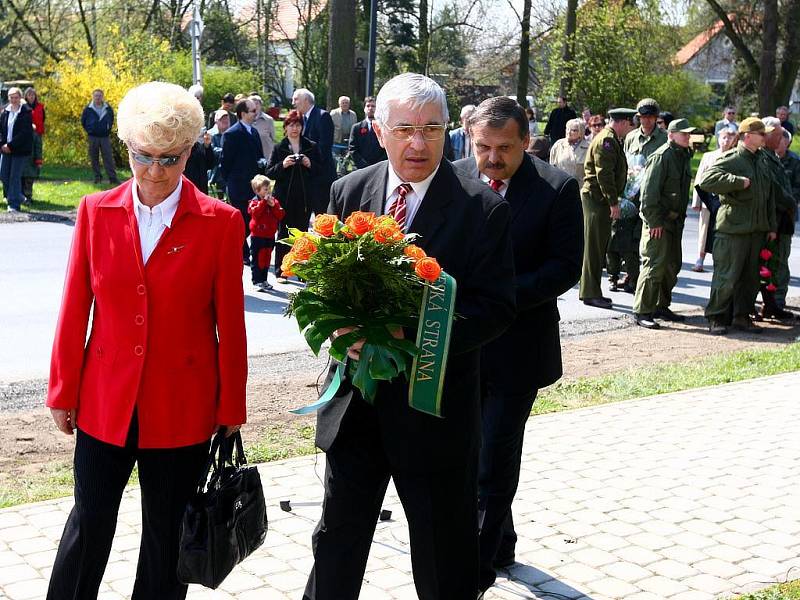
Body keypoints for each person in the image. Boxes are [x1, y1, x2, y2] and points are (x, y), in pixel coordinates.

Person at [302, 73, 515, 600]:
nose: (418, 143)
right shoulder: (349, 191)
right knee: (336, 544)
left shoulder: (482, 209)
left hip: (433, 413)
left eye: (432, 129)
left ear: (450, 133)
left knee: (445, 557)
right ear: (378, 130)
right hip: (355, 408)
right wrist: (339, 330)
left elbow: (495, 308)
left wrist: (413, 335)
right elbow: (321, 284)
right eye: (405, 129)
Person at [45, 81, 247, 600]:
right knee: (88, 526)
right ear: (127, 147)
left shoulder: (222, 223)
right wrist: (63, 390)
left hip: (183, 406)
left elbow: (231, 325)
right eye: (143, 157)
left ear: (191, 151)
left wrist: (232, 405)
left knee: (166, 538)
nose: (155, 171)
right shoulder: (95, 211)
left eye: (170, 159)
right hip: (104, 401)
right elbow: (74, 310)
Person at [453, 96, 583, 592]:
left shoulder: (556, 188)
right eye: (483, 146)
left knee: (494, 457)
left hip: (518, 348)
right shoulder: (457, 176)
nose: (491, 158)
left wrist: (499, 296)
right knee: (465, 450)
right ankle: (501, 541)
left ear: (526, 142)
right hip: (459, 346)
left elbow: (565, 268)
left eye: (503, 148)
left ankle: (477, 569)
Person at [697, 117, 777, 335]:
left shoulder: (761, 159)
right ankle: (715, 317)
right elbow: (706, 180)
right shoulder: (733, 158)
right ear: (748, 136)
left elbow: (768, 195)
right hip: (733, 229)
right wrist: (737, 182)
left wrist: (771, 225)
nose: (765, 137)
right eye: (762, 134)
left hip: (756, 230)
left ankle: (742, 317)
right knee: (726, 277)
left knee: (750, 280)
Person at [631, 118, 696, 329]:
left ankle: (661, 305)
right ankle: (642, 310)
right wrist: (654, 222)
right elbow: (648, 195)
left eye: (688, 133)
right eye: (683, 133)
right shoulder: (661, 157)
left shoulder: (683, 156)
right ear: (671, 135)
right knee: (653, 266)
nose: (687, 136)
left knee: (672, 265)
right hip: (658, 223)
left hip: (674, 224)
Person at [609, 98, 668, 294]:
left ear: (656, 118)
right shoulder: (631, 137)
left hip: (653, 197)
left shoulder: (664, 139)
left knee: (644, 241)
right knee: (625, 238)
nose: (647, 121)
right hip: (630, 195)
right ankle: (630, 276)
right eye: (643, 117)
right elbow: (625, 164)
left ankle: (643, 281)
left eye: (650, 117)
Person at [579, 107, 636, 308]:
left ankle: (591, 291)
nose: (631, 128)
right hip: (597, 200)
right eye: (631, 124)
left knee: (596, 247)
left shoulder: (610, 138)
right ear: (622, 122)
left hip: (598, 199)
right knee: (594, 248)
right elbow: (604, 174)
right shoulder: (608, 140)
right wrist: (613, 202)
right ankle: (590, 292)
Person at [266, 109, 320, 283]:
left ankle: (303, 271)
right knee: (283, 234)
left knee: (302, 234)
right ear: (286, 128)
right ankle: (282, 271)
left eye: (298, 125)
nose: (294, 129)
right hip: (284, 199)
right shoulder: (279, 147)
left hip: (304, 199)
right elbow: (270, 172)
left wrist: (309, 163)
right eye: (291, 125)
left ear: (302, 127)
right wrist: (283, 165)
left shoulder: (310, 146)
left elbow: (321, 170)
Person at [759, 117, 795, 319]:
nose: (783, 138)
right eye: (780, 134)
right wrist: (789, 202)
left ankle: (774, 305)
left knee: (779, 264)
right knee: (773, 265)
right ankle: (772, 305)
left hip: (783, 220)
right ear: (769, 134)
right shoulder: (764, 158)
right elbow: (774, 192)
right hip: (774, 221)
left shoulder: (773, 157)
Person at [220, 97, 264, 264]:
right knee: (242, 222)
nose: (256, 113)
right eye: (253, 111)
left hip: (255, 186)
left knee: (253, 221)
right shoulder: (232, 134)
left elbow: (258, 155)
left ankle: (244, 251)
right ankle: (241, 252)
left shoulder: (254, 132)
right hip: (238, 186)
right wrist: (230, 183)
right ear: (243, 114)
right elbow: (225, 163)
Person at [691, 127, 738, 272]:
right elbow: (699, 178)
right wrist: (696, 201)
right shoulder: (708, 156)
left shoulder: (734, 157)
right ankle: (700, 258)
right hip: (707, 200)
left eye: (729, 138)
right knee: (704, 229)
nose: (726, 140)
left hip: (725, 202)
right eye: (723, 137)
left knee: (722, 231)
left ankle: (721, 260)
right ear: (718, 138)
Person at [292, 88, 335, 213]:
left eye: (296, 99)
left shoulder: (322, 116)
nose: (293, 103)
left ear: (306, 100)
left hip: (321, 177)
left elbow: (324, 147)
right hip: (306, 177)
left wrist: (309, 162)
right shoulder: (300, 119)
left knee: (322, 214)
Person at [247, 174, 285, 292]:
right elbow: (255, 214)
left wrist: (274, 206)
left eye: (269, 188)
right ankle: (257, 281)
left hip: (269, 235)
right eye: (265, 189)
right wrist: (263, 202)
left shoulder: (273, 201)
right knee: (258, 259)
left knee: (267, 259)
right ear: (258, 191)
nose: (268, 191)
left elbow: (281, 214)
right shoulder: (254, 202)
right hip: (258, 236)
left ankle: (264, 280)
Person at [0, 87, 33, 212]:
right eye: (11, 97)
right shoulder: (5, 112)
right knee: (3, 174)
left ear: (20, 98)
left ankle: (13, 204)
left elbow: (24, 133)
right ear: (8, 98)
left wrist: (11, 145)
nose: (13, 100)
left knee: (14, 176)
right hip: (5, 148)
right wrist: (2, 145)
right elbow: (1, 130)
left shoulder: (26, 112)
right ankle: (18, 196)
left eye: (16, 97)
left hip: (20, 150)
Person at [80, 89, 119, 185]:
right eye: (96, 96)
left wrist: (108, 128)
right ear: (93, 97)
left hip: (105, 136)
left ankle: (112, 178)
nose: (98, 97)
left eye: (99, 95)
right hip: (93, 137)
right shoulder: (88, 109)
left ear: (102, 97)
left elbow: (111, 119)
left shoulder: (108, 108)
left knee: (108, 158)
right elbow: (83, 122)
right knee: (94, 157)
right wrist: (90, 130)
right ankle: (97, 177)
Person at [347, 96, 386, 168]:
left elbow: (386, 148)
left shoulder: (383, 128)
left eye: (373, 106)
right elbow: (352, 149)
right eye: (368, 106)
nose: (370, 108)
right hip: (361, 169)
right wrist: (363, 165)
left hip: (379, 168)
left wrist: (377, 166)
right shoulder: (356, 128)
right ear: (364, 108)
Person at [549, 117, 590, 185]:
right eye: (567, 129)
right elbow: (551, 168)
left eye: (573, 130)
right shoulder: (558, 145)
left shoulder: (588, 147)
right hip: (561, 187)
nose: (568, 132)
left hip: (580, 189)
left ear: (581, 132)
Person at [182, 128, 216, 194]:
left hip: (201, 189)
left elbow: (210, 165)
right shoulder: (182, 148)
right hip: (187, 187)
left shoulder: (200, 146)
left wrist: (207, 146)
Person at [778, 130, 800, 227]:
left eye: (779, 140)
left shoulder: (795, 161)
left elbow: (798, 187)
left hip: (788, 210)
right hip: (769, 211)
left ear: (786, 142)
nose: (776, 142)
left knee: (784, 240)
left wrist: (787, 202)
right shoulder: (766, 158)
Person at [207, 109, 230, 199]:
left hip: (228, 170)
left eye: (226, 119)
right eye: (222, 119)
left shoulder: (231, 134)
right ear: (216, 121)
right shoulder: (209, 134)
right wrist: (227, 151)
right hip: (215, 171)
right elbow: (211, 151)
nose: (225, 121)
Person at [250, 94, 277, 160]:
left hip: (266, 156)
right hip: (250, 157)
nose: (255, 106)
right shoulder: (245, 120)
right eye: (252, 104)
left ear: (261, 105)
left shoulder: (268, 120)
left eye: (257, 103)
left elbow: (273, 138)